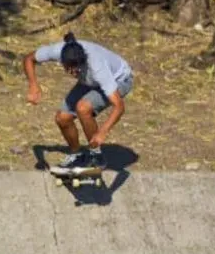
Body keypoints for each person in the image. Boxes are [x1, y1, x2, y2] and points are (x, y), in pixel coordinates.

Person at [22, 32, 134, 171]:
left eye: (77, 70)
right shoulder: (57, 50)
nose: (74, 73)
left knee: (83, 108)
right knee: (62, 118)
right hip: (89, 81)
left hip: (119, 80)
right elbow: (29, 59)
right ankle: (77, 155)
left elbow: (119, 107)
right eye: (69, 69)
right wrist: (33, 85)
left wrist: (102, 132)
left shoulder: (97, 66)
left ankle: (96, 157)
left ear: (84, 61)